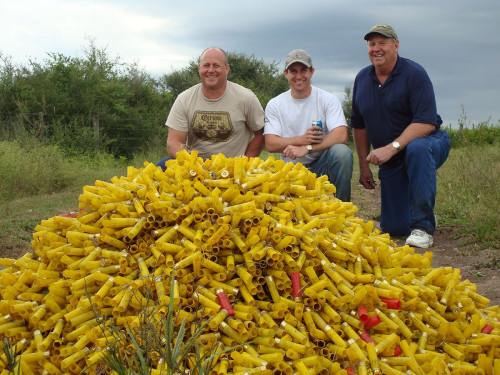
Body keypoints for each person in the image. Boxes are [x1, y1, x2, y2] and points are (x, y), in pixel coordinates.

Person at [350, 24, 451, 248]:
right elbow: (359, 126)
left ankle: (423, 227)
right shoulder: (361, 79)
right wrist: (364, 165)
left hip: (430, 142)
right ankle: (417, 214)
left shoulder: (415, 74)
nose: (376, 49)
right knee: (395, 228)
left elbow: (426, 122)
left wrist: (392, 147)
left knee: (417, 149)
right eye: (371, 44)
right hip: (393, 158)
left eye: (382, 43)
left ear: (396, 45)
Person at [264, 49, 353, 202]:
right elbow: (270, 144)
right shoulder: (275, 104)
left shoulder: (328, 99)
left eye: (303, 70)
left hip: (322, 166)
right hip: (290, 170)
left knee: (342, 153)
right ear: (286, 73)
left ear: (312, 72)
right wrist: (301, 140)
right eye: (293, 71)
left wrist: (307, 148)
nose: (299, 76)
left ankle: (342, 209)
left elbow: (341, 135)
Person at [157, 47, 265, 168]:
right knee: (162, 165)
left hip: (232, 167)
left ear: (227, 69)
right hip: (195, 166)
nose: (211, 70)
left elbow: (260, 134)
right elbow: (173, 143)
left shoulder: (246, 97)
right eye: (206, 65)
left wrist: (245, 163)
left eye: (216, 66)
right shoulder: (184, 99)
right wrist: (197, 165)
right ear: (199, 68)